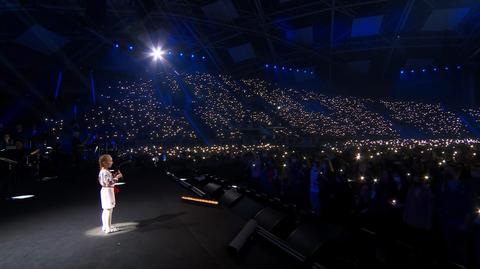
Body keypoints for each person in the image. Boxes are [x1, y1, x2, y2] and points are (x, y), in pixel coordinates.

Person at [98, 154, 123, 234]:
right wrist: (117, 177)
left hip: (106, 190)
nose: (112, 162)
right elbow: (109, 182)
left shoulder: (103, 171)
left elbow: (108, 181)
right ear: (104, 162)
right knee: (109, 209)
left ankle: (106, 226)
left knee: (106, 210)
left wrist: (114, 177)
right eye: (110, 160)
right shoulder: (104, 171)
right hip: (107, 191)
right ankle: (108, 228)